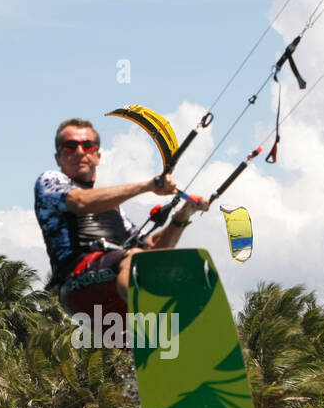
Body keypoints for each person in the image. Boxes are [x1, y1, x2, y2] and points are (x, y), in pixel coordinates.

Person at [35, 118, 206, 321]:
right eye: (70, 146)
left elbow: (152, 247)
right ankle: (156, 320)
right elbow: (80, 202)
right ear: (58, 157)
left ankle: (172, 341)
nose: (80, 152)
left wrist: (181, 217)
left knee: (167, 266)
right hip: (77, 285)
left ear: (97, 156)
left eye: (87, 145)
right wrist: (148, 186)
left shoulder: (114, 208)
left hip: (114, 296)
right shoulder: (50, 181)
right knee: (134, 259)